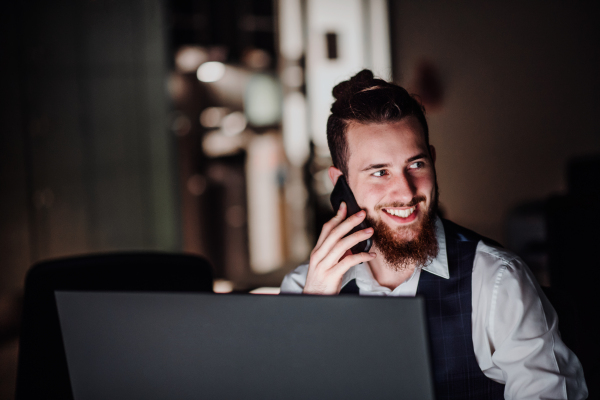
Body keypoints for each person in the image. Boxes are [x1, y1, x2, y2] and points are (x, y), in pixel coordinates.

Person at [280, 70, 588, 399]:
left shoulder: (496, 280)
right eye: (380, 172)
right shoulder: (303, 289)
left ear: (433, 160)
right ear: (340, 183)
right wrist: (310, 319)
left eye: (416, 164)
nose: (406, 191)